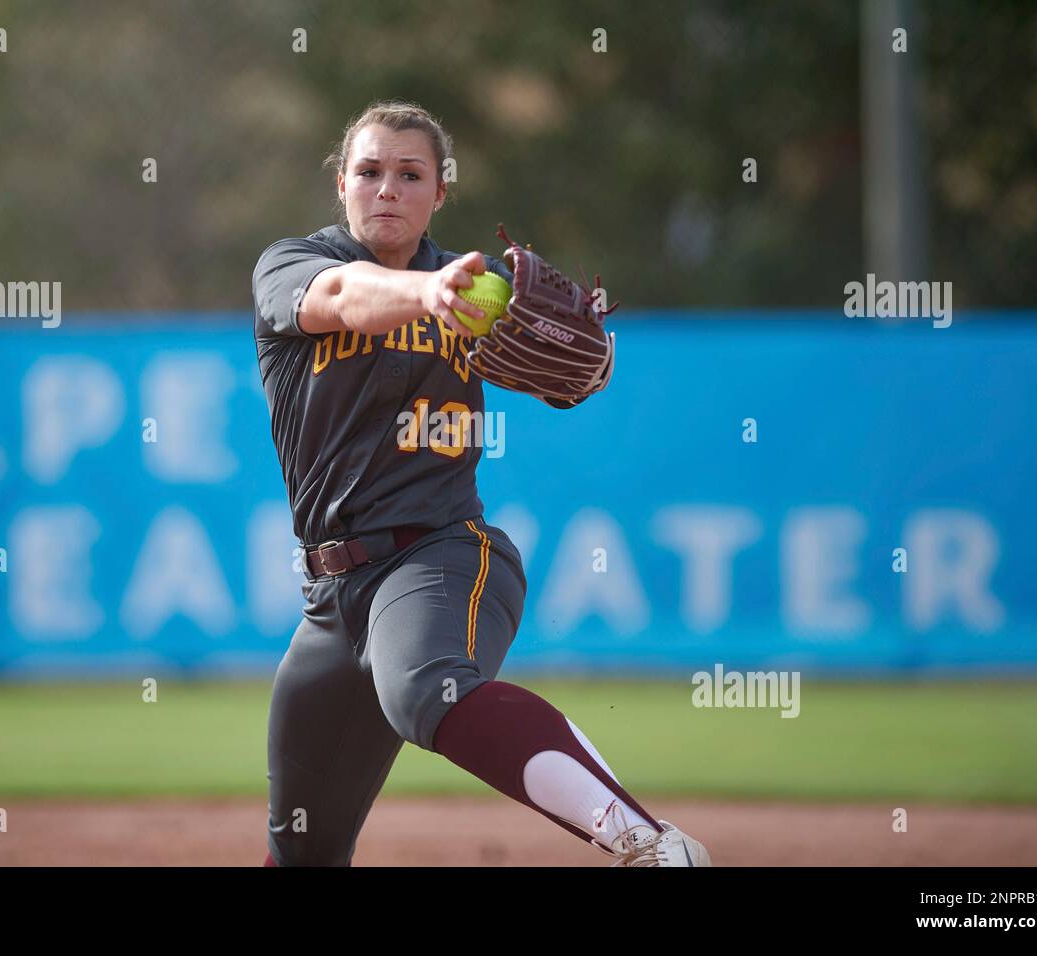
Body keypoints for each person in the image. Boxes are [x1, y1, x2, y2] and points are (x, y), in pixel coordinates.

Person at [251, 100, 710, 867]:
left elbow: (575, 376)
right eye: (369, 172)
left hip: (441, 556)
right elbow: (340, 299)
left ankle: (651, 844)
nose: (387, 189)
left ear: (441, 193)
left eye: (410, 174)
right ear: (341, 185)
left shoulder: (475, 289)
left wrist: (587, 361)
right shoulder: (295, 266)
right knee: (302, 851)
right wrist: (427, 297)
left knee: (426, 688)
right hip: (331, 600)